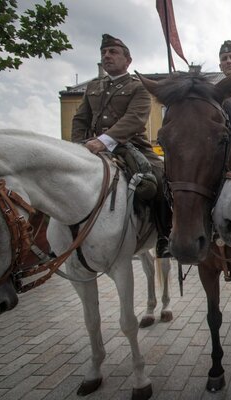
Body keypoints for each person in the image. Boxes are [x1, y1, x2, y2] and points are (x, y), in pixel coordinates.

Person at [71, 34, 172, 258]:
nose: (107, 56)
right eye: (104, 53)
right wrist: (77, 145)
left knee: (162, 178)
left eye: (113, 52)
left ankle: (165, 236)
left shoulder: (139, 87)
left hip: (130, 145)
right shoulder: (93, 87)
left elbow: (134, 119)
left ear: (128, 61)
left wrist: (103, 141)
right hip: (91, 146)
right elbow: (80, 119)